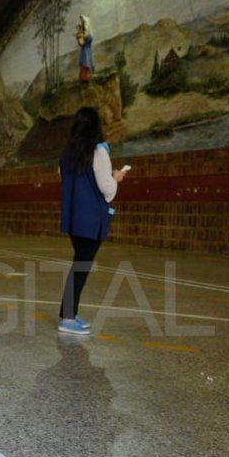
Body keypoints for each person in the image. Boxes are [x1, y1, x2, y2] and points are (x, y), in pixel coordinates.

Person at [57, 107, 126, 335]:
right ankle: (67, 318)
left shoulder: (66, 154)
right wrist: (116, 178)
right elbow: (105, 187)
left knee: (80, 264)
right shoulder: (99, 151)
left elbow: (65, 178)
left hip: (73, 218)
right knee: (81, 267)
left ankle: (70, 313)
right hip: (91, 219)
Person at [76, 16, 94, 83]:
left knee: (86, 63)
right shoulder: (82, 32)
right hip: (84, 51)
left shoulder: (89, 33)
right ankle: (83, 79)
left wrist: (83, 37)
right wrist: (79, 38)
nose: (82, 24)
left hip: (87, 51)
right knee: (83, 63)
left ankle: (86, 78)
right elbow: (81, 43)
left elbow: (89, 39)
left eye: (83, 22)